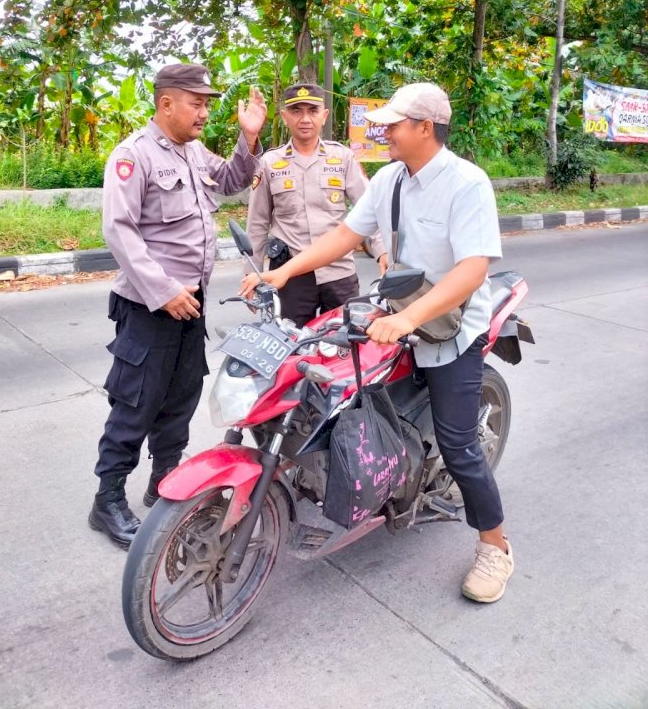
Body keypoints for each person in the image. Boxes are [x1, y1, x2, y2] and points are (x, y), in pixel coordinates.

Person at [240, 81, 513, 603]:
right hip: (396, 312)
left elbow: (474, 268)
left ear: (425, 129)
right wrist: (283, 273)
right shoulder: (390, 178)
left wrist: (409, 317)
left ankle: (495, 546)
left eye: (394, 123)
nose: (382, 130)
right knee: (332, 385)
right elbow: (344, 236)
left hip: (452, 328)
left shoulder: (467, 183)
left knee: (459, 444)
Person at [90, 62, 267, 548]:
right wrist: (163, 290)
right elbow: (119, 230)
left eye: (208, 103)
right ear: (166, 103)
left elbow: (232, 179)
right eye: (197, 102)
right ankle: (106, 500)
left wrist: (248, 138)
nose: (205, 111)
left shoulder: (192, 152)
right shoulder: (134, 156)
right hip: (150, 306)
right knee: (135, 404)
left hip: (191, 305)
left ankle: (164, 484)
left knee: (181, 397)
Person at [245, 83, 387, 327]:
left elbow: (369, 209)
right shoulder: (269, 163)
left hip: (339, 272)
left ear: (324, 116)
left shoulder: (342, 158)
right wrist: (253, 274)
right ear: (285, 117)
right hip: (291, 276)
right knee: (290, 348)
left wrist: (382, 251)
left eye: (312, 110)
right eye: (297, 111)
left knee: (346, 348)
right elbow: (257, 224)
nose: (305, 118)